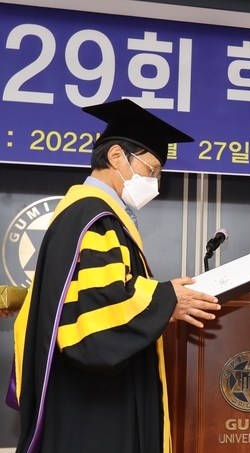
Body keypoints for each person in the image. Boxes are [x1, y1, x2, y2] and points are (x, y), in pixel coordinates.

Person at [10, 99, 222, 453]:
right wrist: (165, 299)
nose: (155, 182)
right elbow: (97, 315)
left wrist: (162, 296)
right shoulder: (95, 218)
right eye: (152, 170)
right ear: (117, 157)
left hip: (89, 396)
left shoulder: (89, 214)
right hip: (94, 403)